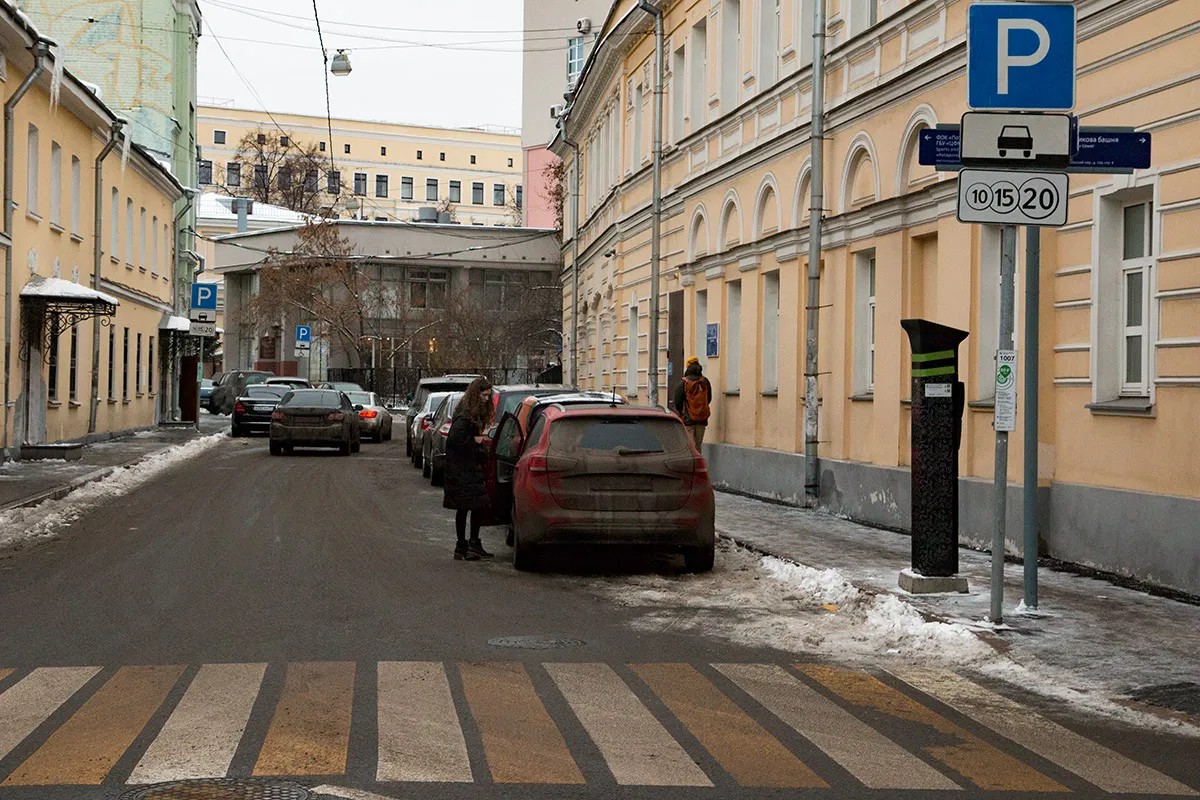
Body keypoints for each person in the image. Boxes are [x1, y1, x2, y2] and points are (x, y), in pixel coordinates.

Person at [442, 377, 495, 561]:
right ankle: (469, 544)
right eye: (484, 395)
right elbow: (455, 441)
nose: (487, 399)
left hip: (463, 469)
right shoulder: (466, 415)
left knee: (468, 507)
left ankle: (464, 545)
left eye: (489, 395)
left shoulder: (467, 413)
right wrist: (476, 442)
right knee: (473, 506)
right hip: (464, 469)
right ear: (476, 394)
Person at [673, 356, 712, 450]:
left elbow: (677, 401)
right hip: (702, 419)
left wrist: (683, 412)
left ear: (688, 367)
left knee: (690, 447)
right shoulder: (705, 381)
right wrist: (700, 409)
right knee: (698, 446)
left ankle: (692, 464)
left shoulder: (684, 383)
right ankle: (699, 464)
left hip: (688, 419)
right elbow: (709, 399)